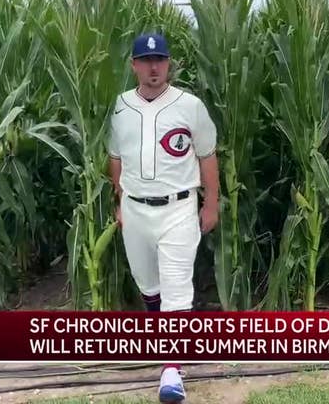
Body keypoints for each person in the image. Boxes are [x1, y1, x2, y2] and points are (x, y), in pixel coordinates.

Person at [107, 33, 219, 402]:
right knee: (147, 284)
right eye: (146, 60)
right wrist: (120, 200)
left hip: (178, 207)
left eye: (160, 59)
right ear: (133, 65)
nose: (153, 67)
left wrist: (211, 203)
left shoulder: (190, 105)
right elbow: (115, 158)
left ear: (169, 63)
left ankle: (172, 369)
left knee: (176, 287)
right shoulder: (121, 106)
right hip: (136, 208)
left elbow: (206, 156)